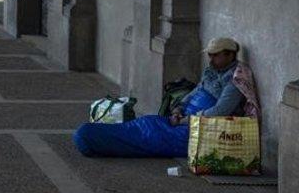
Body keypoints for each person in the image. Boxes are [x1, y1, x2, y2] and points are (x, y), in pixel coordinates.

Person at [72, 36, 260, 158]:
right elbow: (196, 91)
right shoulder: (213, 70)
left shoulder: (236, 79)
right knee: (148, 122)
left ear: (229, 55)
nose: (210, 60)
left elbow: (220, 111)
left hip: (197, 129)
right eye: (209, 56)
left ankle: (90, 137)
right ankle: (92, 134)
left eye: (215, 56)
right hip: (182, 118)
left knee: (150, 135)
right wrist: (179, 108)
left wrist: (186, 120)